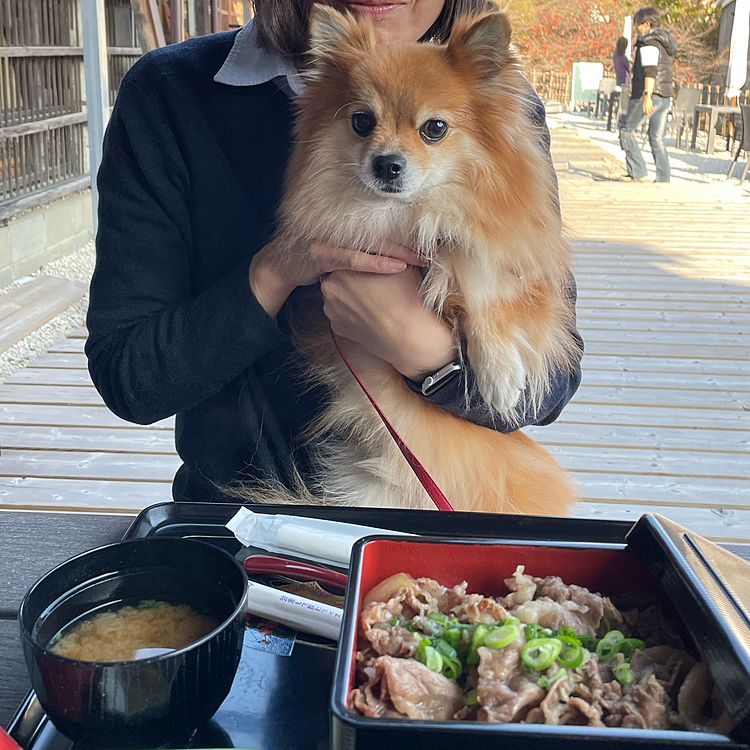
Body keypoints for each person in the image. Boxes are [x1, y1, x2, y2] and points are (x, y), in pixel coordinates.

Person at [85, 0, 584, 503]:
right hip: (236, 523)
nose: (391, 152)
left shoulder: (493, 98)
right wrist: (275, 274)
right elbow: (132, 380)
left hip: (450, 508)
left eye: (433, 129)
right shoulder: (170, 93)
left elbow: (547, 387)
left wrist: (425, 351)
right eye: (362, 122)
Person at [619, 6, 678, 182]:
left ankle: (638, 173)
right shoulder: (666, 42)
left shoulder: (649, 41)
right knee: (657, 138)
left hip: (648, 94)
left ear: (646, 24)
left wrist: (647, 95)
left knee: (626, 129)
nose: (636, 28)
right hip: (665, 95)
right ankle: (663, 178)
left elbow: (650, 71)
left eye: (638, 24)